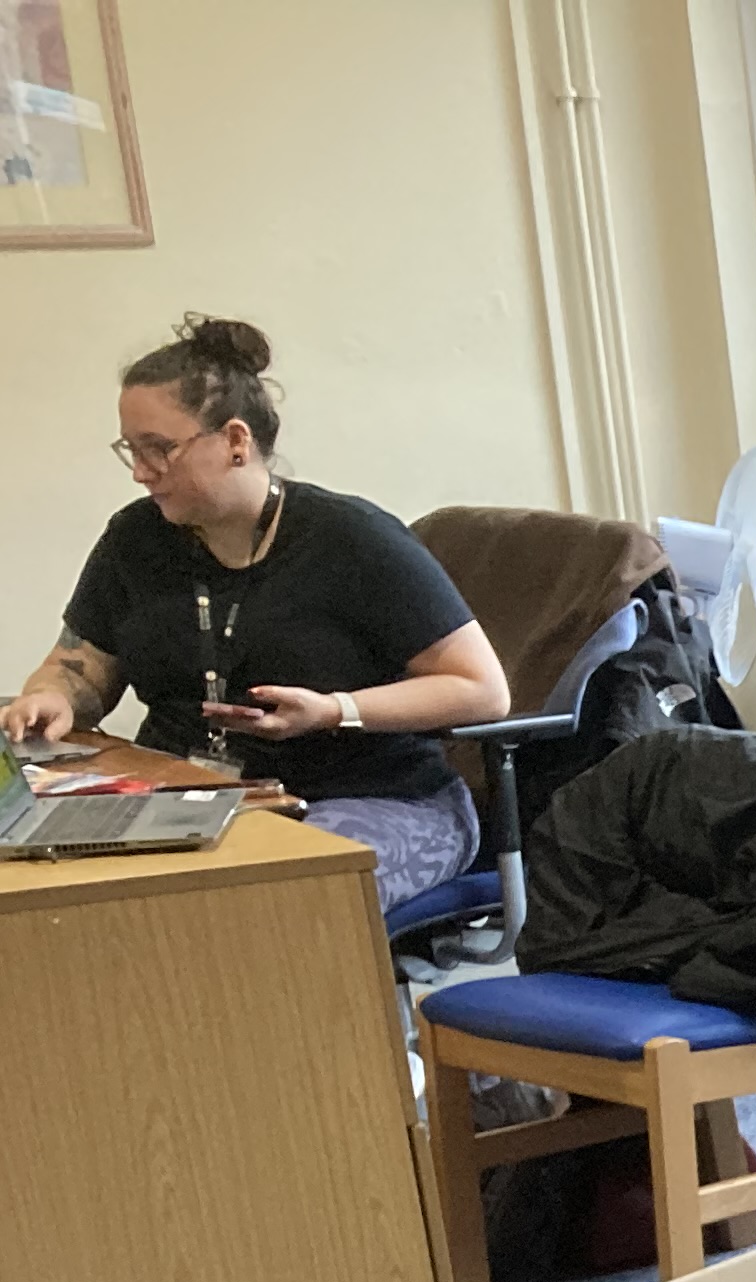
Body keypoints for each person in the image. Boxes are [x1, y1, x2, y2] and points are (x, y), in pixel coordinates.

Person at [5, 316, 510, 910]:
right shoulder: (134, 539)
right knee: (56, 886)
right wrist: (53, 697)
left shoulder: (353, 538)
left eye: (158, 450)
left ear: (236, 441)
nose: (142, 472)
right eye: (130, 452)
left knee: (268, 895)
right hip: (190, 794)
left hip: (378, 799)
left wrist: (332, 711)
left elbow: (482, 690)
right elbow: (79, 668)